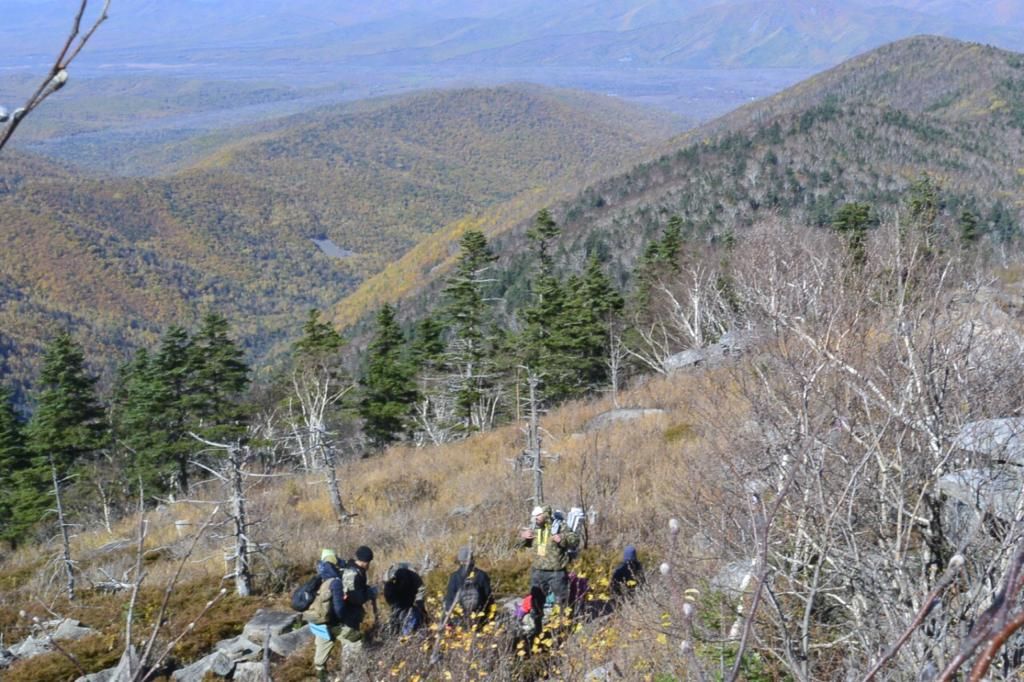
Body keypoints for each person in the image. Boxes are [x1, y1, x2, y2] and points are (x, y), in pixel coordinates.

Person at [309, 546, 376, 682]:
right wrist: (370, 592)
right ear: (366, 561)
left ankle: (322, 677)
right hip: (340, 621)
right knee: (355, 643)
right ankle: (350, 674)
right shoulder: (347, 576)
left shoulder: (323, 575)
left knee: (321, 655)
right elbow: (355, 599)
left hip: (321, 620)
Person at [518, 505, 579, 606]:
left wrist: (562, 539)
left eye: (538, 515)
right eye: (534, 515)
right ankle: (537, 616)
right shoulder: (533, 528)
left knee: (562, 601)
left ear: (545, 515)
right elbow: (518, 546)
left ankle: (564, 615)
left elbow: (575, 541)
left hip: (557, 572)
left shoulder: (560, 526)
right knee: (536, 602)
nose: (535, 518)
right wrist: (523, 537)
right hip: (537, 571)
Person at [442, 545, 493, 629]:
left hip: (460, 620)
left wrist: (448, 621)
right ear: (472, 559)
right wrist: (489, 618)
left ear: (460, 560)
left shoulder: (454, 577)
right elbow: (488, 598)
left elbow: (449, 600)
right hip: (479, 618)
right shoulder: (482, 575)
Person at [382, 562, 427, 636]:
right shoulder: (389, 578)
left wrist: (419, 605)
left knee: (417, 615)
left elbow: (420, 591)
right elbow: (388, 594)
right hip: (396, 597)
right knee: (397, 616)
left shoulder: (414, 578)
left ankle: (411, 631)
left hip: (409, 595)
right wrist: (395, 606)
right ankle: (396, 632)